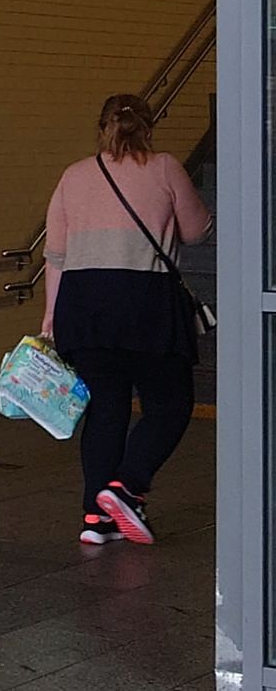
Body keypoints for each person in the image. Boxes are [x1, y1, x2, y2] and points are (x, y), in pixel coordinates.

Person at [42, 95, 212, 546]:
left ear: (101, 128)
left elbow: (55, 255)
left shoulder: (74, 175)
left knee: (105, 411)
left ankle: (95, 519)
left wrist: (50, 318)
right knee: (170, 404)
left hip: (81, 304)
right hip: (145, 302)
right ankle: (126, 486)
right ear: (149, 127)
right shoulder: (165, 167)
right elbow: (196, 231)